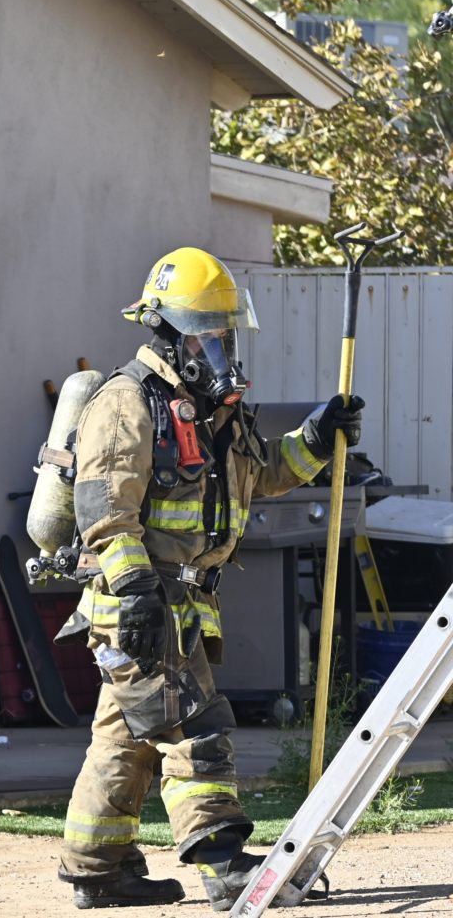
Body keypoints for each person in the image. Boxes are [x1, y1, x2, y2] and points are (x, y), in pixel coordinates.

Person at [57, 247, 362, 911]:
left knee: (127, 741)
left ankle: (95, 869)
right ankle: (224, 865)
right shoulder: (127, 401)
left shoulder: (214, 412)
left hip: (182, 604)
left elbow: (261, 473)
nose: (219, 346)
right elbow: (103, 509)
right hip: (138, 602)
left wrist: (315, 438)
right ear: (168, 332)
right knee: (192, 724)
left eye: (225, 333)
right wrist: (135, 590)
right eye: (206, 333)